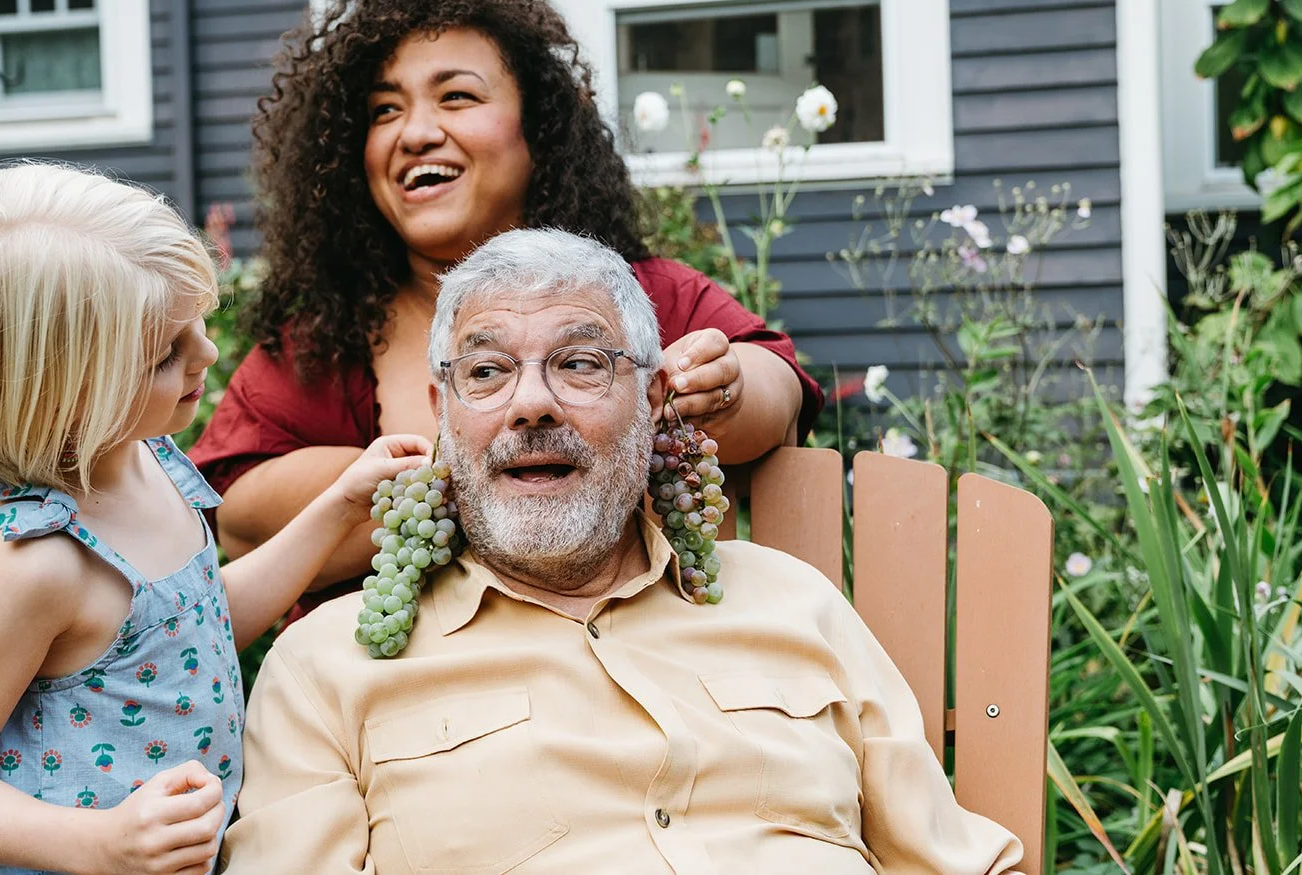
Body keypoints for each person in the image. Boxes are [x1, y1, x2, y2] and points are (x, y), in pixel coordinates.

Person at [221, 229, 1024, 875]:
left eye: (579, 363)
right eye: (489, 370)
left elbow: (957, 858)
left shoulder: (793, 603)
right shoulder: (327, 666)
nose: (532, 403)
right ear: (442, 410)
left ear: (652, 399)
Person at [188, 0, 825, 595]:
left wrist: (727, 391)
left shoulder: (644, 296)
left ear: (539, 128)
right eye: (384, 111)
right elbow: (233, 513)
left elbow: (781, 393)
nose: (414, 132)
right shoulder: (325, 338)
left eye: (456, 96)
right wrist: (464, 463)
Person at [0, 161, 433, 875]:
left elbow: (199, 624)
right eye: (165, 355)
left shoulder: (152, 459)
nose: (207, 354)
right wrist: (101, 842)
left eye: (198, 326)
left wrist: (336, 508)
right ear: (58, 394)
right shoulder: (34, 563)